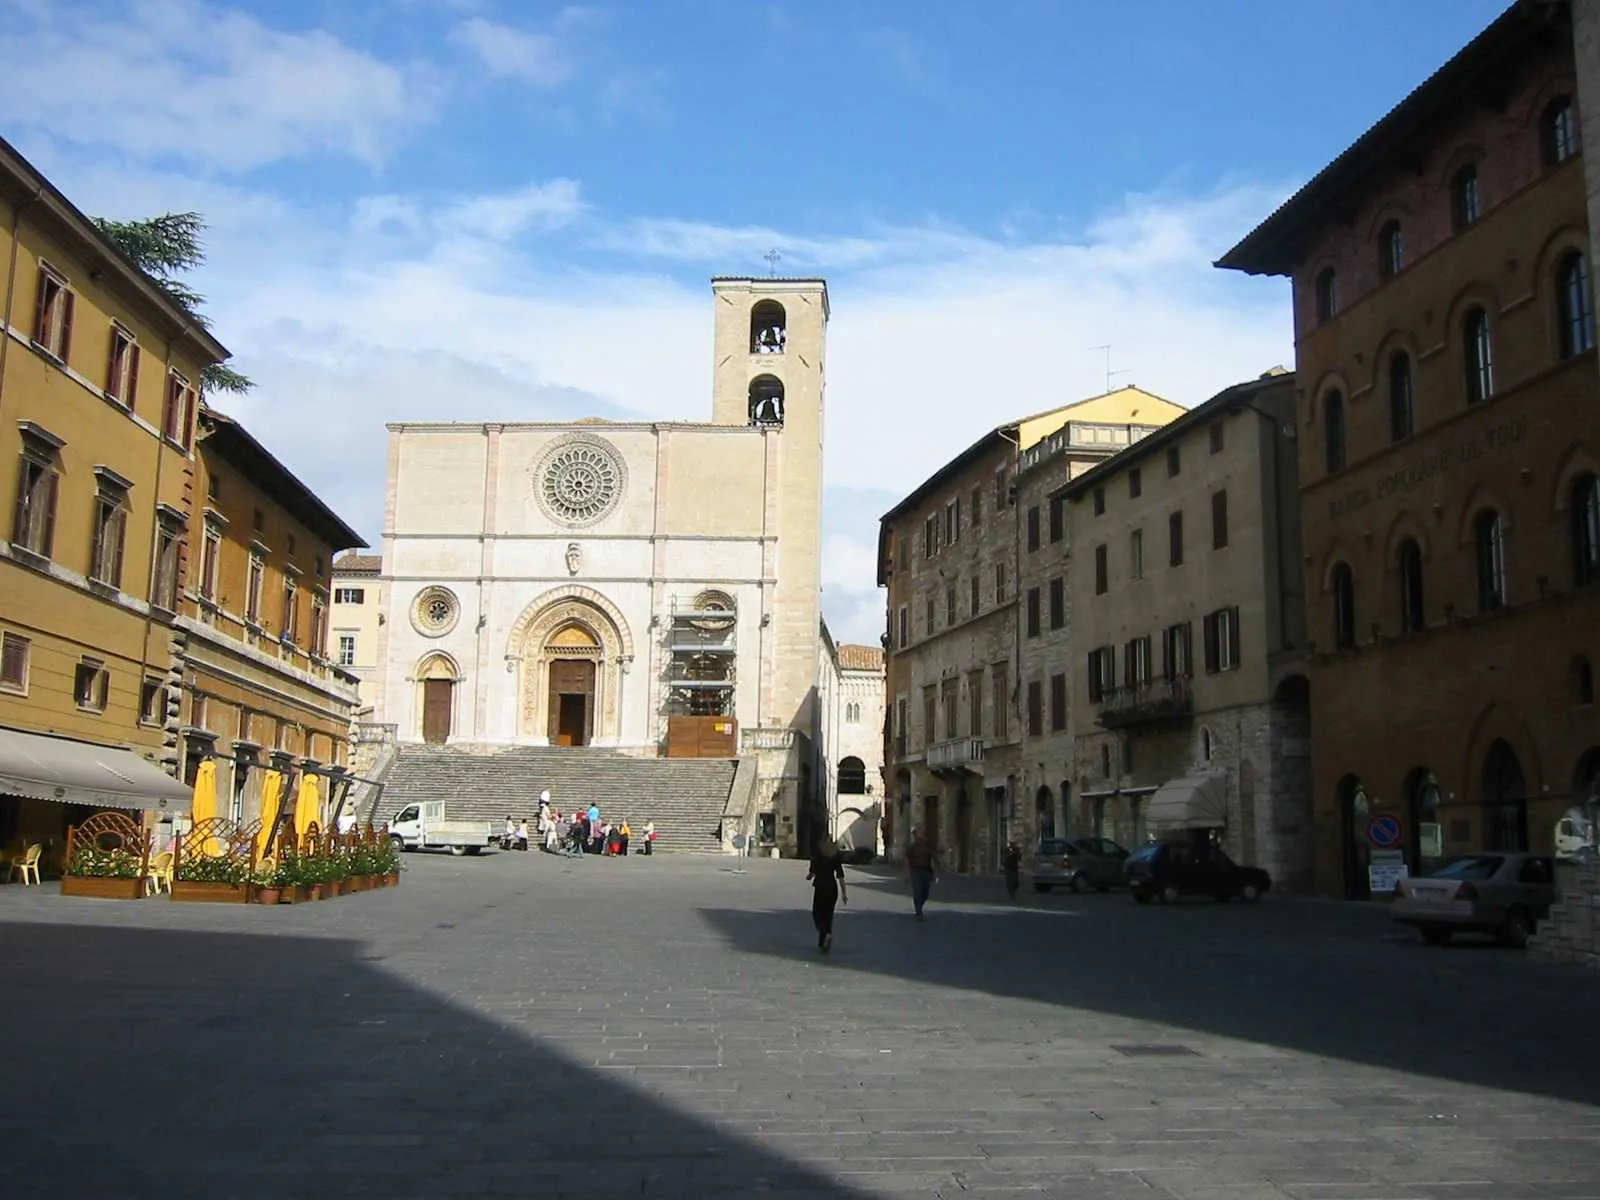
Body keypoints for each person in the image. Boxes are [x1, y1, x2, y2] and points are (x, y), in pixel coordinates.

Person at [806, 843, 848, 952]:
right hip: (832, 888)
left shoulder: (816, 857)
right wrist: (844, 894)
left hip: (820, 888)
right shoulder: (834, 857)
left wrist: (808, 877)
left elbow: (811, 874)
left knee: (817, 913)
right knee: (828, 915)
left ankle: (824, 934)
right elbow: (840, 876)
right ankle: (826, 938)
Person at [905, 826, 937, 921]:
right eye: (918, 833)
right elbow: (907, 859)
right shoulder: (912, 847)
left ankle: (920, 906)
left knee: (925, 893)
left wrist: (936, 872)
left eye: (921, 833)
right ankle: (919, 912)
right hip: (916, 871)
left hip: (927, 871)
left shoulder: (928, 845)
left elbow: (933, 858)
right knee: (917, 891)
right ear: (915, 835)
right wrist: (907, 873)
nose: (920, 835)